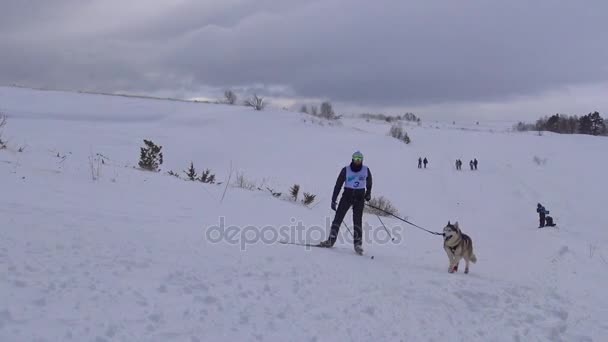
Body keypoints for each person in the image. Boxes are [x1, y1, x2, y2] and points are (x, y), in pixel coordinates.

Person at [319, 151, 372, 254]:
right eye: (356, 159)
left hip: (359, 198)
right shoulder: (345, 170)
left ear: (362, 160)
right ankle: (330, 241)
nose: (357, 161)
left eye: (359, 159)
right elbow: (338, 185)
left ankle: (358, 245)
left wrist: (368, 193)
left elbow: (369, 183)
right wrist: (333, 199)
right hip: (347, 196)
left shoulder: (366, 170)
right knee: (338, 219)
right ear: (352, 159)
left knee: (357, 221)